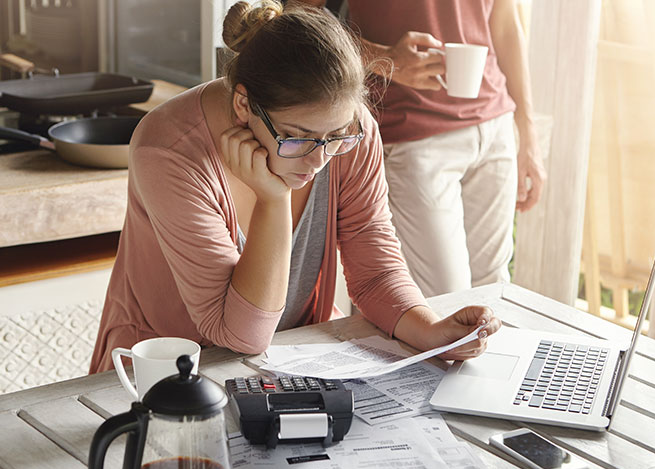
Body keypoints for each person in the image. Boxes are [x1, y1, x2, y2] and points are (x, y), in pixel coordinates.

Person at [89, 1, 501, 373]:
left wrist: (429, 329)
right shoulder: (169, 150)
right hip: (162, 375)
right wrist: (273, 198)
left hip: (290, 362)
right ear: (243, 106)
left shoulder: (353, 133)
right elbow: (239, 336)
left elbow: (373, 266)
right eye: (298, 137)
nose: (320, 159)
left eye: (337, 134)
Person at [304, 0, 546, 298]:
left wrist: (527, 131)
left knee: (495, 291)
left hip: (495, 128)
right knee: (447, 300)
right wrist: (384, 57)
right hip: (415, 137)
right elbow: (301, 16)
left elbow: (505, 21)